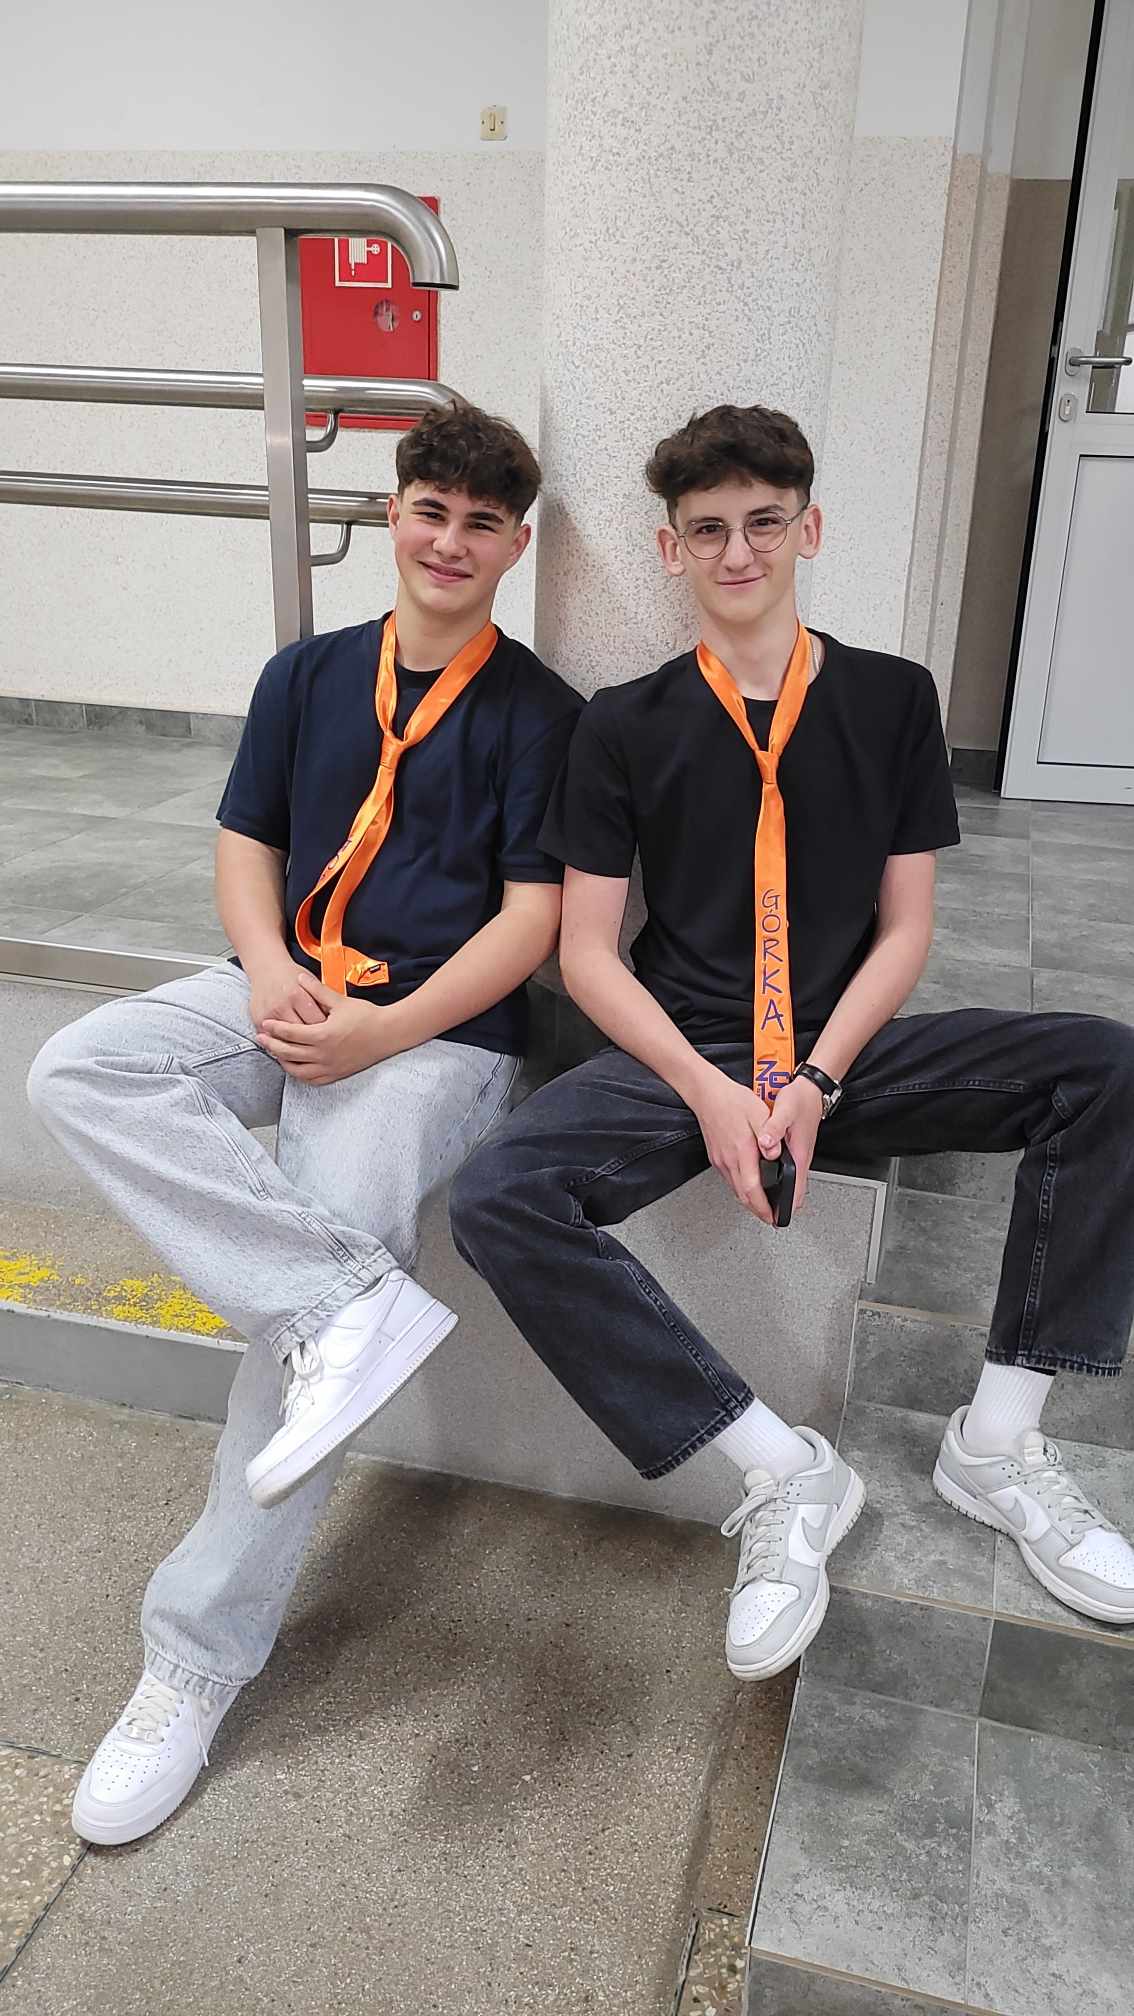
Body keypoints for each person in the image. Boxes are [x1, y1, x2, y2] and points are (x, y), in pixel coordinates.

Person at [450, 401, 1134, 1682]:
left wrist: (818, 1077)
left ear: (808, 531)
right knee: (497, 1194)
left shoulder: (890, 699)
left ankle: (997, 1444)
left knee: (1107, 1067)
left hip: (846, 1052)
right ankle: (780, 1469)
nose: (739, 551)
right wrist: (711, 1092)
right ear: (671, 551)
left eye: (765, 522)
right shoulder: (624, 723)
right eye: (708, 529)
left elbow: (907, 927)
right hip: (689, 1052)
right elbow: (588, 954)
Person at [27, 400, 581, 1843]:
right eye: (430, 510)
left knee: (312, 1302)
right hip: (287, 985)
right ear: (391, 514)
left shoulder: (542, 715)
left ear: (515, 547)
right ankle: (341, 1305)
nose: (450, 541)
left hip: (434, 1037)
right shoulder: (308, 673)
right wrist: (269, 970)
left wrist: (380, 1033)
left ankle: (192, 1663)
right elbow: (246, 843)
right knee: (81, 1068)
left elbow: (530, 925)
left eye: (481, 524)